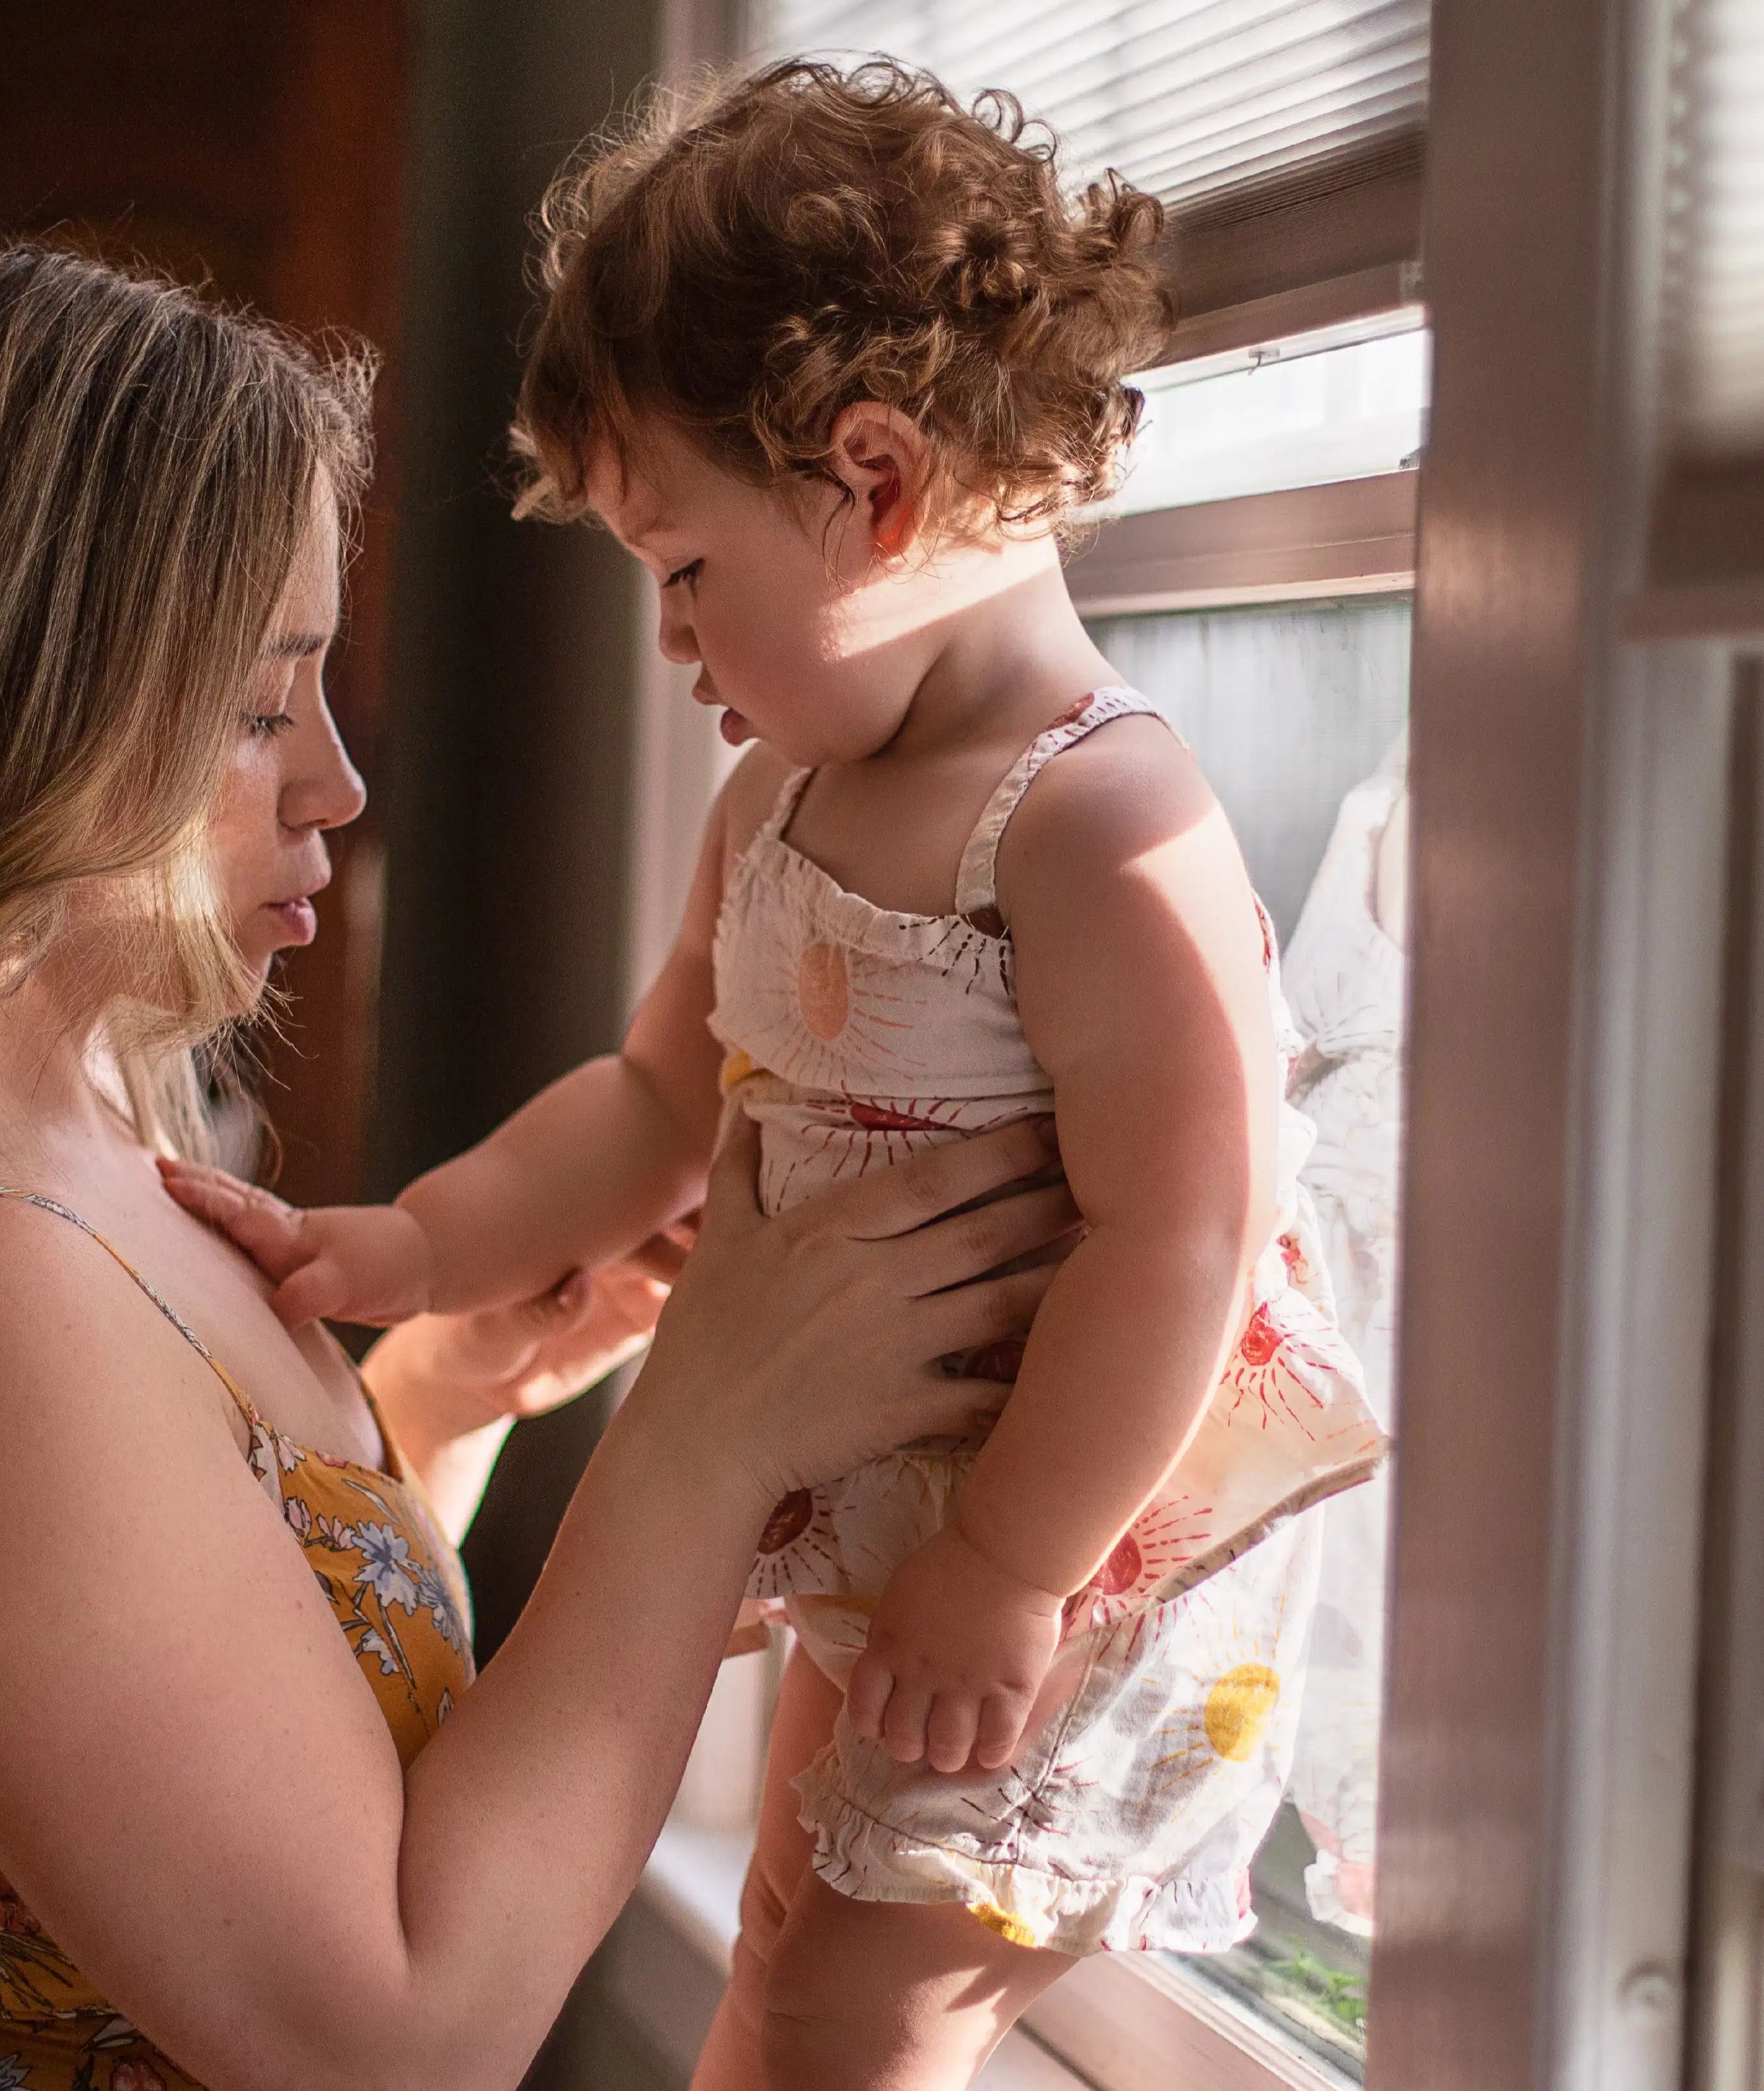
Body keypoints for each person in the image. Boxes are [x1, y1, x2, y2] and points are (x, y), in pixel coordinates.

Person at [0, 237, 1078, 2091]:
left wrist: (435, 1400)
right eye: (259, 706)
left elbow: (185, 1670)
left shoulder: (96, 1131)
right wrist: (710, 1431)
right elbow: (392, 2034)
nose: (334, 782)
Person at [197, 63, 1385, 2091]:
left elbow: (1183, 1237)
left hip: (1058, 1555)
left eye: (682, 569)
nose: (668, 638)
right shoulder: (772, 806)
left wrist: (1003, 1568)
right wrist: (405, 1242)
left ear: (877, 480)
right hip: (870, 1507)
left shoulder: (1097, 824)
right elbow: (657, 1103)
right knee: (781, 1943)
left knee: (853, 2012)